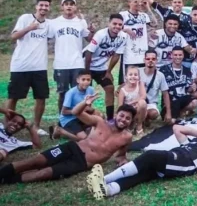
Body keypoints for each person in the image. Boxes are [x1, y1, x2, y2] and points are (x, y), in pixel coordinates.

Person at [85, 121, 197, 199]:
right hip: (171, 160)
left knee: (151, 155)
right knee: (143, 175)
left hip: (186, 164)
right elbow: (177, 128)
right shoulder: (193, 142)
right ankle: (107, 190)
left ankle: (104, 179)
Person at [0, 96, 136, 184]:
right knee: (35, 161)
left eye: (127, 118)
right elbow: (76, 112)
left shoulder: (127, 137)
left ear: (131, 122)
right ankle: (2, 173)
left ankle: (7, 180)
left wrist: (122, 158)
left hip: (81, 163)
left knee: (44, 173)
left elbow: (122, 151)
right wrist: (85, 103)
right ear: (117, 114)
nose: (123, 120)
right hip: (72, 148)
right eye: (122, 116)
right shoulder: (99, 122)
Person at [7, 0, 52, 136]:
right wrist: (29, 28)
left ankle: (36, 126)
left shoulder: (49, 24)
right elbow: (13, 37)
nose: (43, 8)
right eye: (41, 5)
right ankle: (6, 125)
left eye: (46, 5)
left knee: (41, 97)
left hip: (39, 67)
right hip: (21, 66)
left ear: (49, 8)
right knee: (13, 97)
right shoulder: (25, 18)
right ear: (36, 6)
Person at [48, 0, 94, 113]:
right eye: (66, 4)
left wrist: (92, 31)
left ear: (75, 7)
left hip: (77, 63)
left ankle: (79, 119)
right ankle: (62, 119)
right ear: (62, 7)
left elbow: (89, 39)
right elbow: (46, 38)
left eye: (72, 4)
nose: (69, 6)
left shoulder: (80, 22)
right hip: (61, 64)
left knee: (78, 93)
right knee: (63, 94)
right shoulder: (54, 22)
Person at [84, 14, 127, 121]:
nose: (117, 26)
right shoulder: (100, 34)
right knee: (86, 91)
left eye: (120, 24)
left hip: (100, 67)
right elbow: (89, 53)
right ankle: (85, 117)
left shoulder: (123, 36)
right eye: (114, 24)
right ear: (109, 23)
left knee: (110, 88)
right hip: (86, 64)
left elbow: (116, 55)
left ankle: (110, 118)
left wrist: (108, 71)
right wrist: (86, 72)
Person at [50, 69, 96, 141]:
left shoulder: (91, 90)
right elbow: (64, 112)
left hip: (80, 116)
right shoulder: (71, 93)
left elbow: (88, 107)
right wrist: (76, 110)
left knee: (99, 115)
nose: (86, 82)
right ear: (78, 80)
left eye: (88, 80)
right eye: (83, 79)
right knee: (84, 139)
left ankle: (78, 129)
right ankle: (61, 131)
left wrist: (89, 109)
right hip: (69, 118)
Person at [118, 0, 152, 85]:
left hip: (142, 53)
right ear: (129, 2)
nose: (139, 4)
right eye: (136, 1)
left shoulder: (144, 16)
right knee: (127, 83)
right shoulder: (123, 15)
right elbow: (115, 27)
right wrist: (126, 29)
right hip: (129, 54)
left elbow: (154, 23)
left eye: (141, 1)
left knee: (142, 83)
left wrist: (148, 8)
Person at [160, 47, 197, 120]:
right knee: (169, 122)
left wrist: (192, 87)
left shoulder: (187, 70)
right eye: (175, 55)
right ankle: (174, 113)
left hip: (182, 99)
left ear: (183, 55)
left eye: (180, 55)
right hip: (170, 101)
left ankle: (181, 112)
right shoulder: (163, 69)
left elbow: (188, 89)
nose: (178, 57)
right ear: (171, 55)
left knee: (195, 101)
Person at [139, 49, 172, 126]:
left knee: (154, 114)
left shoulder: (160, 75)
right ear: (144, 60)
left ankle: (144, 119)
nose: (150, 61)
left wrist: (168, 112)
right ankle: (140, 120)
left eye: (153, 59)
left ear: (156, 60)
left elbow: (165, 94)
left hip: (150, 104)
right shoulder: (137, 72)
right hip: (138, 102)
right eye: (148, 59)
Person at [118, 66, 147, 137]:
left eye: (135, 74)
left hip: (138, 109)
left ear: (139, 77)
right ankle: (130, 125)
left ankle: (139, 126)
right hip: (128, 112)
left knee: (142, 103)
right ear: (126, 77)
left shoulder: (140, 84)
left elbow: (143, 96)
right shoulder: (122, 90)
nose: (133, 77)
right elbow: (120, 106)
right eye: (130, 74)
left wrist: (131, 103)